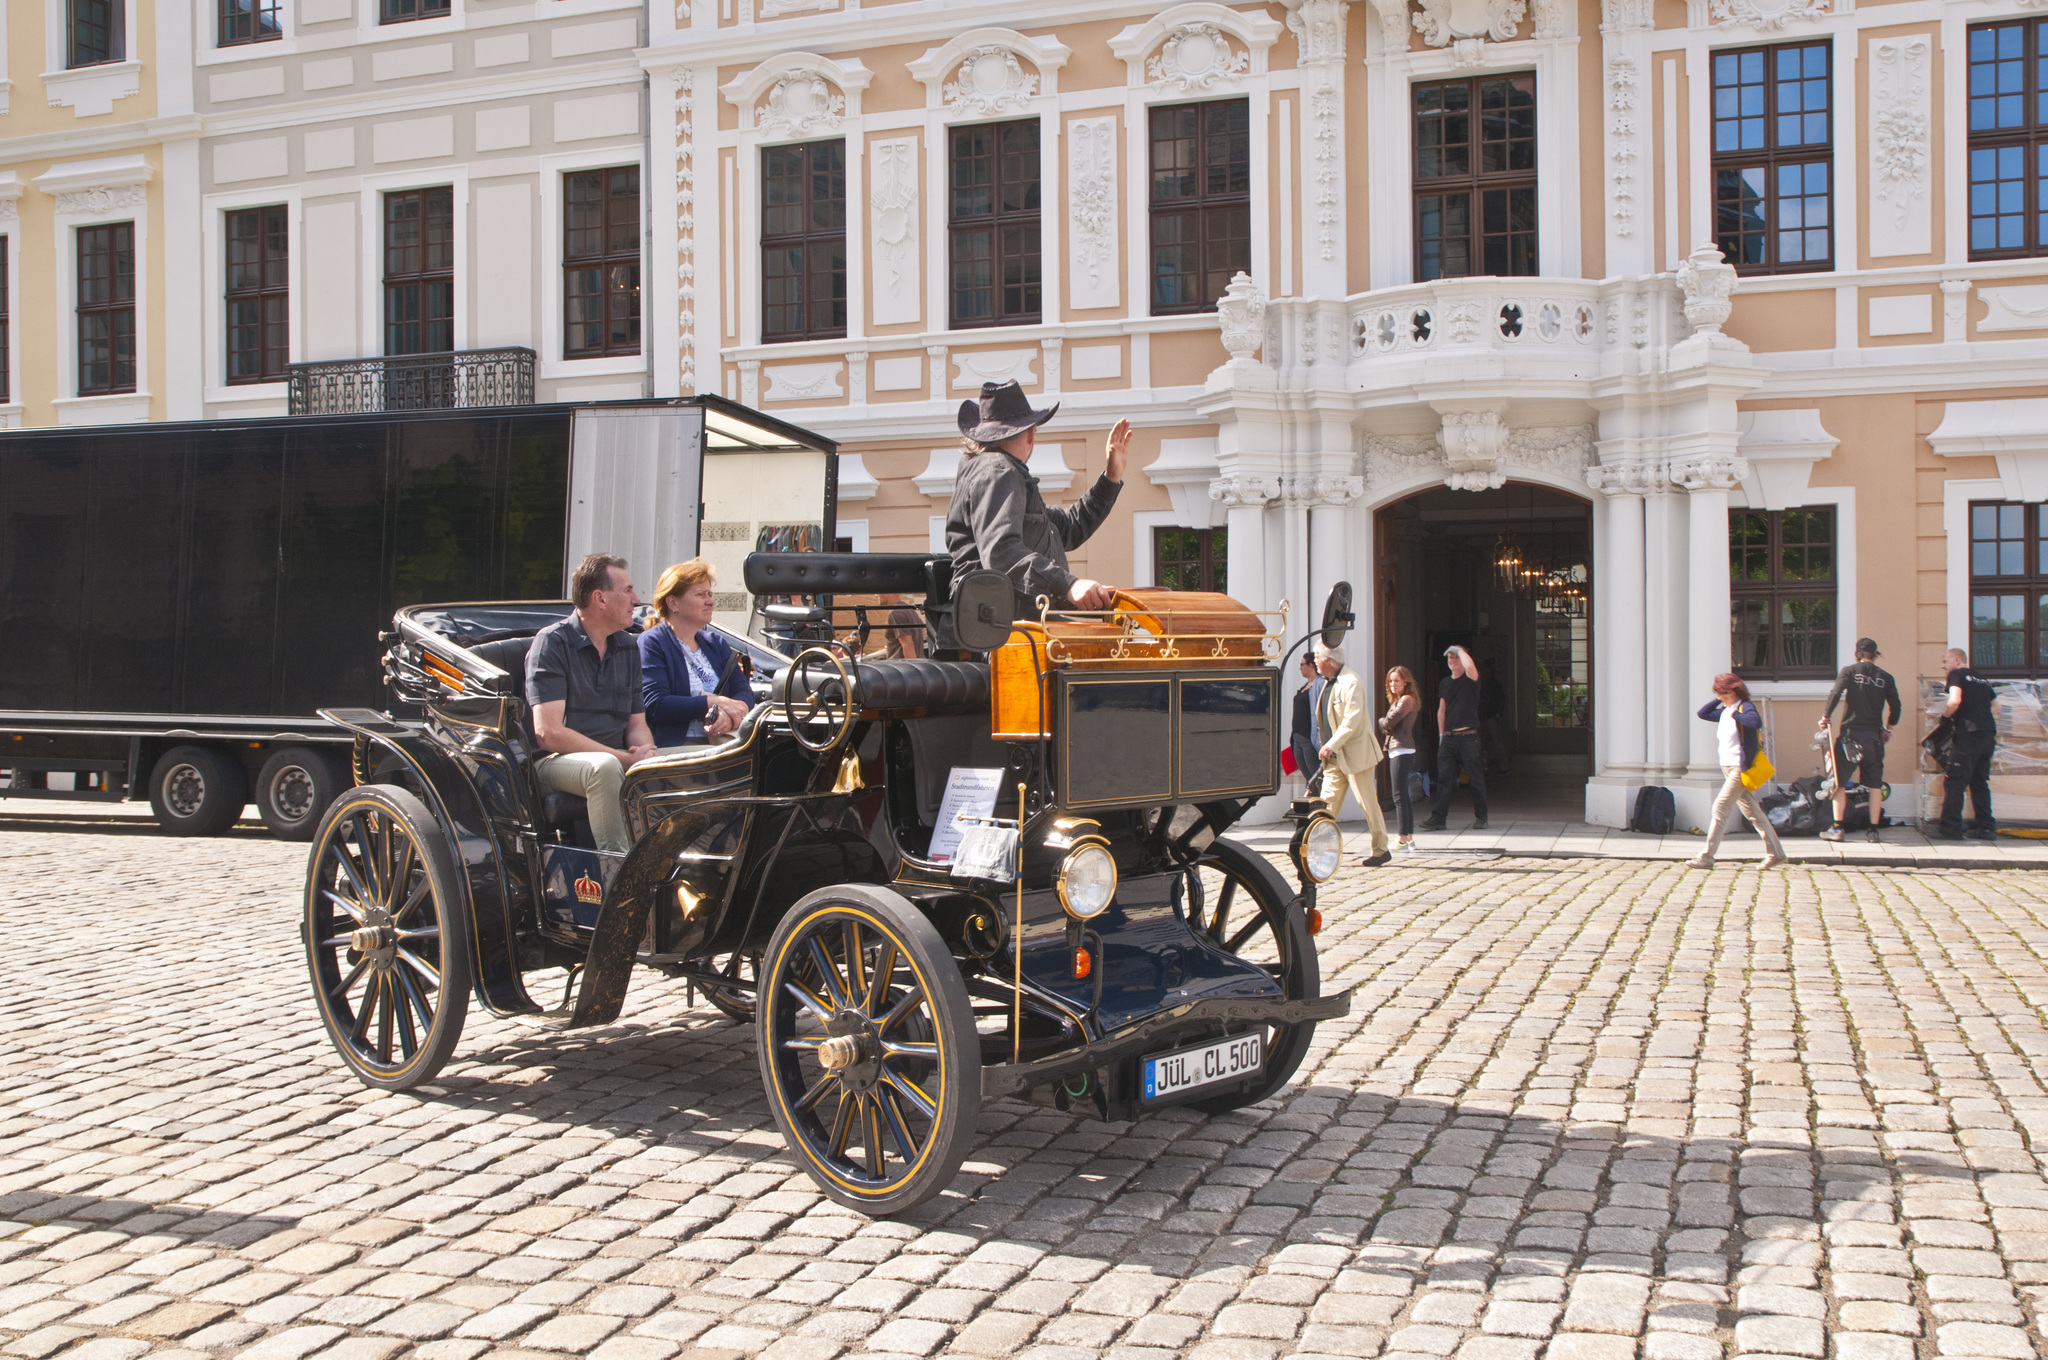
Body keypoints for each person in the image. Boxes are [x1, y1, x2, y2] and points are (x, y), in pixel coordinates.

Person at [946, 380, 1131, 618]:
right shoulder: (999, 471)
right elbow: (1000, 551)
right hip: (1001, 627)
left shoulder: (999, 472)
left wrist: (1110, 479)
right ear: (1031, 433)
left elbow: (1067, 528)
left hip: (1007, 620)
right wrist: (1069, 585)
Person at [528, 553, 657, 856]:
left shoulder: (627, 646)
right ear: (600, 598)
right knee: (604, 768)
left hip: (616, 756)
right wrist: (621, 758)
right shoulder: (552, 643)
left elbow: (637, 724)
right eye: (627, 590)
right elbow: (548, 733)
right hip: (555, 761)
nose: (636, 600)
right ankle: (620, 876)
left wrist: (646, 754)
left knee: (699, 758)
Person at [639, 558, 754, 747]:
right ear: (673, 603)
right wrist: (712, 702)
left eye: (710, 593)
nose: (710, 601)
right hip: (676, 748)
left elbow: (743, 691)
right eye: (701, 594)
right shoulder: (653, 642)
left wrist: (729, 715)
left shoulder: (716, 643)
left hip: (723, 744)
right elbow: (656, 704)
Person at [1686, 673, 1789, 870]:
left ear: (1732, 691)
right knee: (1754, 814)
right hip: (1727, 766)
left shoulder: (1744, 707)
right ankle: (1776, 854)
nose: (1720, 697)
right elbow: (1703, 713)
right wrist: (1719, 698)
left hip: (1739, 768)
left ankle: (1706, 856)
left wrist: (1737, 714)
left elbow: (1754, 722)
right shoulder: (1725, 710)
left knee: (1719, 808)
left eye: (1722, 693)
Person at [1314, 641, 1392, 867]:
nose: (1315, 661)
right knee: (1326, 806)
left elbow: (1352, 720)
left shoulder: (1351, 681)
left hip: (1356, 755)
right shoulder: (1327, 683)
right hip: (1334, 760)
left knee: (1367, 803)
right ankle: (1319, 852)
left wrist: (1331, 744)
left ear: (1328, 660)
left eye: (1317, 656)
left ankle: (1381, 850)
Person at [1820, 637, 1902, 843]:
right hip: (1874, 737)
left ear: (1857, 653)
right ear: (1875, 654)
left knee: (1838, 782)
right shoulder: (1886, 677)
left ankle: (1838, 828)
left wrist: (1826, 716)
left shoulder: (1849, 671)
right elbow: (1896, 707)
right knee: (1874, 785)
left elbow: (1836, 693)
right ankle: (1873, 831)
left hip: (1850, 736)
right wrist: (1889, 729)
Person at [1422, 646, 1488, 831]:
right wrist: (1441, 736)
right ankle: (1438, 819)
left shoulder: (1471, 679)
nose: (1452, 660)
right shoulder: (1445, 683)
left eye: (1455, 658)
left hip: (1469, 738)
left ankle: (1482, 816)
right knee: (1444, 779)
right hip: (1449, 738)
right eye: (1450, 658)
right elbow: (1441, 711)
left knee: (1475, 778)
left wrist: (1460, 650)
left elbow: (1471, 667)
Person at [1937, 647, 1998, 841]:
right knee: (1979, 783)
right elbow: (1997, 707)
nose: (1942, 665)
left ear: (1956, 660)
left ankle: (1950, 830)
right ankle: (1987, 829)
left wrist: (1944, 719)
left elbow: (1954, 701)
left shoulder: (1957, 675)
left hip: (1969, 736)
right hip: (1988, 736)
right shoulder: (1981, 678)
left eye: (1945, 661)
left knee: (1955, 781)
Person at [1380, 665, 1422, 853]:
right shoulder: (1398, 700)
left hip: (1402, 750)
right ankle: (1409, 838)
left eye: (1397, 680)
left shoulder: (1406, 700)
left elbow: (1388, 722)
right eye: (1390, 681)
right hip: (1398, 749)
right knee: (1403, 795)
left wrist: (1382, 721)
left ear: (1406, 682)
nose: (1393, 684)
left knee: (1398, 796)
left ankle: (1402, 838)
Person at [1289, 656, 1323, 790]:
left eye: (1302, 664)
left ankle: (1321, 808)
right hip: (1298, 738)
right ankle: (1312, 806)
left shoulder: (1319, 684)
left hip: (1309, 738)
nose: (1300, 668)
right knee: (1308, 778)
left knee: (1315, 778)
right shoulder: (1306, 685)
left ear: (1311, 666)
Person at [880, 594, 924, 660]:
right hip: (914, 664)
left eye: (877, 592)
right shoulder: (910, 610)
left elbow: (908, 645)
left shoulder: (896, 613)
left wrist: (912, 669)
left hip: (901, 667)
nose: (875, 595)